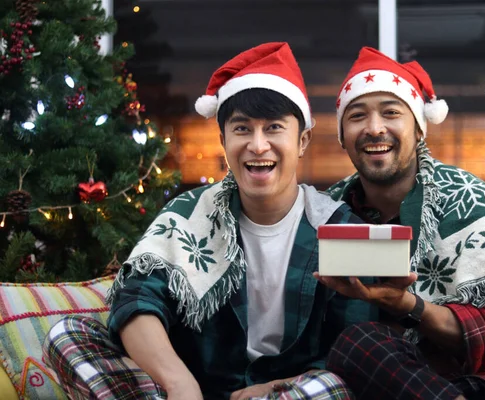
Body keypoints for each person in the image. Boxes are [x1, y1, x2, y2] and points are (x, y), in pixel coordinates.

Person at [43, 42, 377, 400]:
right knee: (67, 335)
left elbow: (354, 347)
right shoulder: (189, 213)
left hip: (290, 392)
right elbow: (136, 298)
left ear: (302, 140)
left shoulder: (343, 228)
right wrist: (178, 383)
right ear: (223, 140)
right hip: (198, 392)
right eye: (243, 129)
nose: (258, 145)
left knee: (329, 387)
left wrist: (279, 387)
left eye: (274, 128)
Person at [313, 47, 485, 399]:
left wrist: (407, 304)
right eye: (357, 116)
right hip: (402, 382)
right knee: (358, 344)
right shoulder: (326, 213)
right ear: (342, 136)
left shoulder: (475, 202)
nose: (374, 128)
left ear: (419, 130)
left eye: (391, 113)